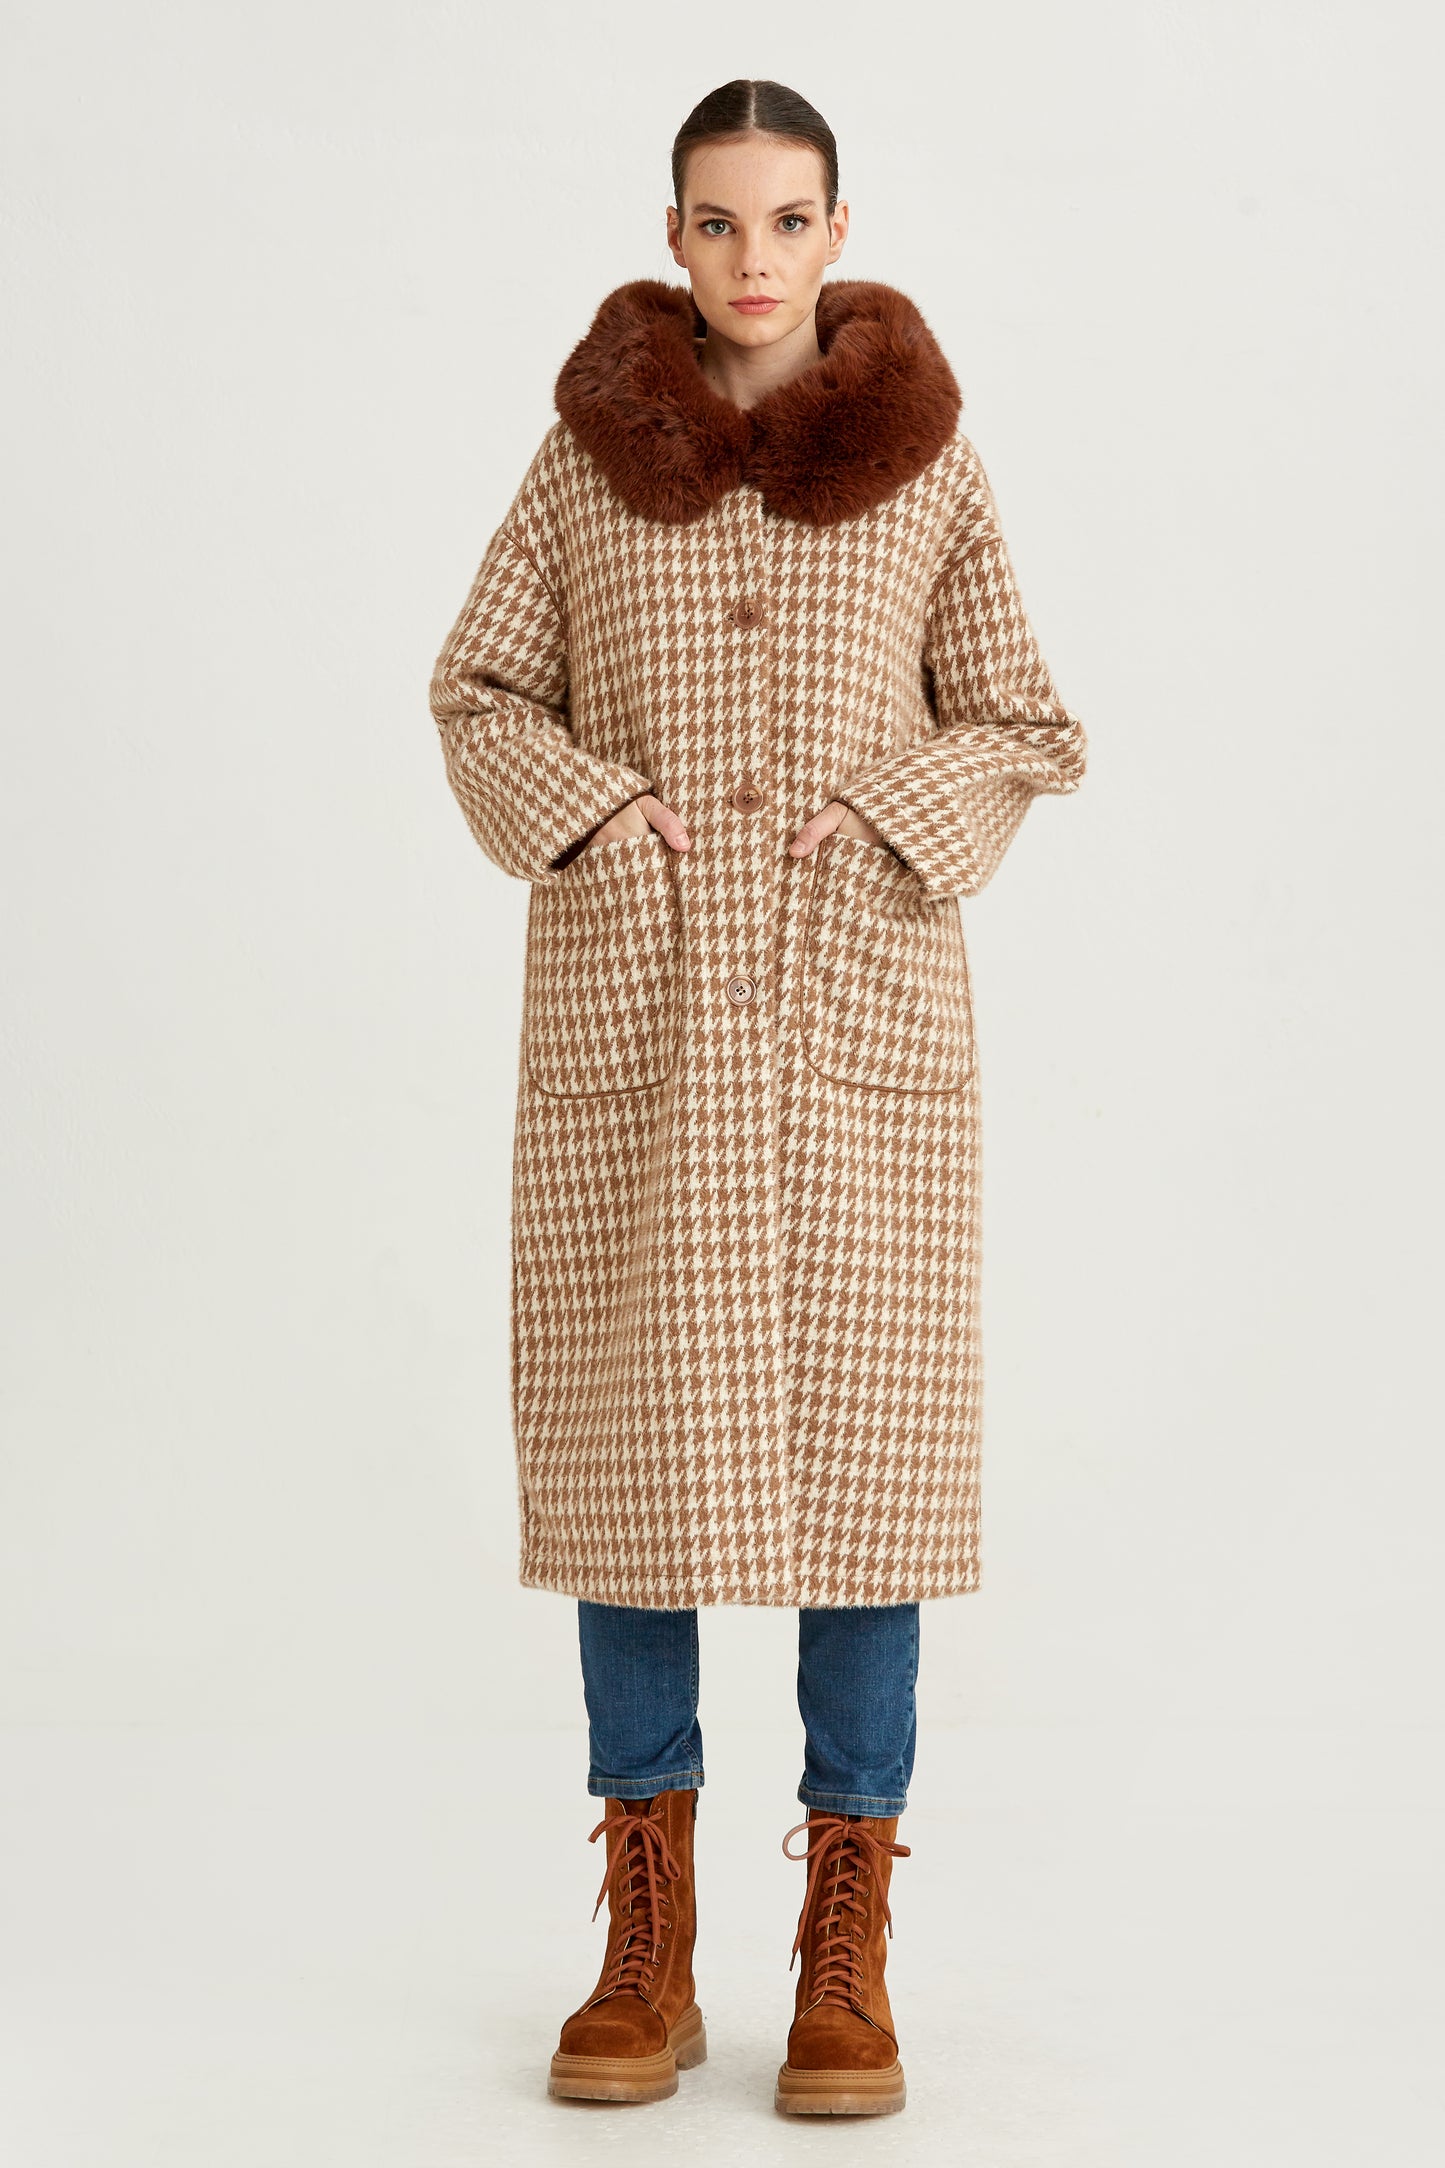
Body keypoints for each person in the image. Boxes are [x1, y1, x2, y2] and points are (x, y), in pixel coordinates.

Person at [427, 77, 1087, 2119]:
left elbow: (1024, 718)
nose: (752, 258)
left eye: (787, 219)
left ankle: (846, 1943)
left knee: (866, 1480)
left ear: (838, 228)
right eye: (716, 222)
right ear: (673, 233)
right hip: (640, 1034)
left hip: (852, 1040)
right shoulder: (583, 465)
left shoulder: (925, 465)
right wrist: (589, 813)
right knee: (633, 1470)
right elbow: (477, 688)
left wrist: (891, 814)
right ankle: (647, 1944)